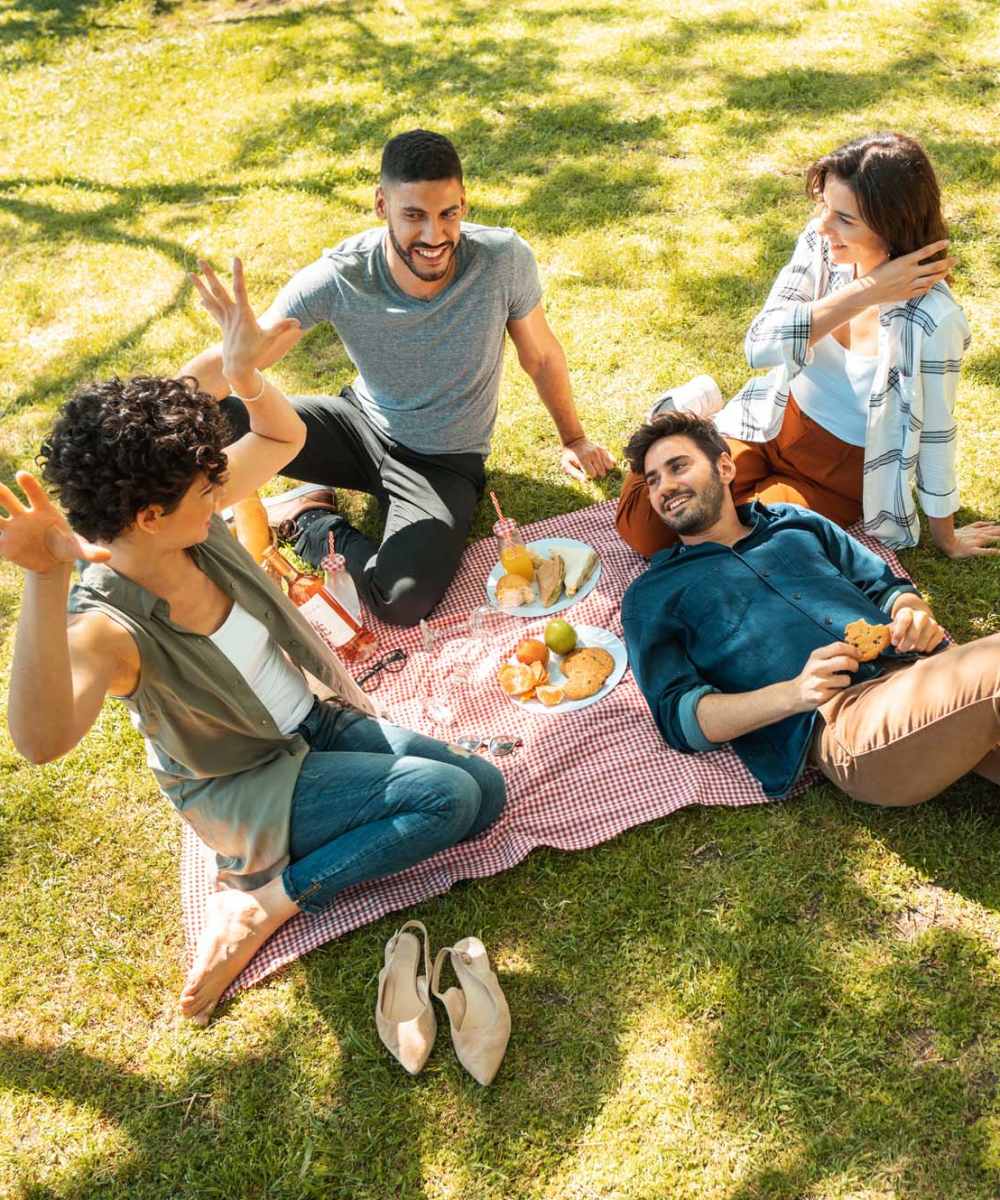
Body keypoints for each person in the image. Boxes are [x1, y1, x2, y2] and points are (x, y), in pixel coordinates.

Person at [2, 260, 506, 1024]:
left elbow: (278, 431)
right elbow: (40, 741)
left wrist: (241, 372)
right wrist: (44, 577)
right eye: (207, 488)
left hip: (313, 721)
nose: (223, 492)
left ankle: (285, 869)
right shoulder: (106, 624)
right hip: (247, 782)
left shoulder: (181, 518)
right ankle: (267, 900)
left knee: (486, 794)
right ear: (147, 516)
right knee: (447, 798)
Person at [180, 129, 613, 627]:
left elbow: (540, 356)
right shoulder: (342, 274)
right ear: (381, 204)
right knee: (202, 415)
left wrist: (574, 438)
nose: (434, 236)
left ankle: (310, 521)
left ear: (464, 202)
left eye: (448, 214)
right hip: (357, 426)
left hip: (443, 463)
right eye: (414, 215)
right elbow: (248, 353)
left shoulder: (502, 261)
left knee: (400, 600)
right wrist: (153, 410)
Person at [617, 132, 1000, 560]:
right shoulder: (823, 246)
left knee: (740, 546)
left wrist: (946, 537)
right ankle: (675, 416)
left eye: (845, 219)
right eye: (824, 207)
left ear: (892, 224)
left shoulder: (933, 319)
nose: (823, 226)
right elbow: (760, 344)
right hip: (771, 420)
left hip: (837, 473)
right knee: (647, 528)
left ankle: (685, 428)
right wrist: (867, 291)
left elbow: (937, 433)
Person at [620, 411, 1000, 806]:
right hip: (848, 720)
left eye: (678, 467)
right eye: (653, 480)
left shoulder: (793, 521)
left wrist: (914, 613)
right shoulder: (651, 594)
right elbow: (681, 720)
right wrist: (794, 693)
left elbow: (887, 588)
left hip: (924, 671)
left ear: (725, 467)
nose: (665, 487)